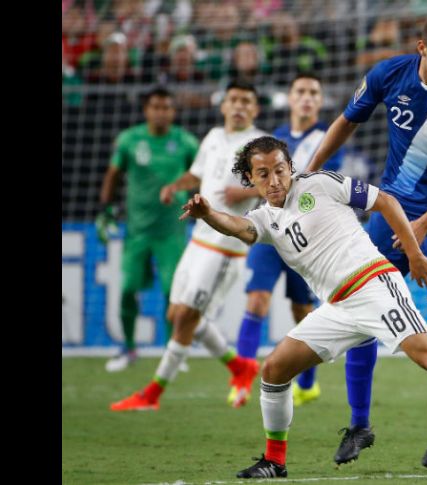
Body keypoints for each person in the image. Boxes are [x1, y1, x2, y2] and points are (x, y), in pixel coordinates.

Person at [179, 135, 427, 478]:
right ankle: (275, 461)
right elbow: (237, 226)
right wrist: (208, 213)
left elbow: (386, 202)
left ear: (290, 167)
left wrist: (414, 253)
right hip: (337, 308)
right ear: (250, 179)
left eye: (280, 169)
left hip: (374, 286)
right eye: (263, 174)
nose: (275, 180)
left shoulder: (320, 183)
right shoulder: (265, 219)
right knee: (275, 369)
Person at [306, 8, 427, 468]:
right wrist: (309, 171)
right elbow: (346, 121)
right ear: (422, 48)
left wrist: (425, 223)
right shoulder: (388, 74)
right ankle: (359, 426)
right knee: (361, 312)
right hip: (390, 212)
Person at [109, 80, 268, 412]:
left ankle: (152, 394)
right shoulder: (213, 137)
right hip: (198, 240)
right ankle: (240, 366)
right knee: (176, 313)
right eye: (234, 100)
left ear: (255, 109)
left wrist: (246, 191)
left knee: (185, 318)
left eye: (246, 101)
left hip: (226, 246)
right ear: (223, 106)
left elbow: (278, 185)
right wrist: (174, 186)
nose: (239, 106)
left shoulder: (260, 145)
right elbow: (197, 175)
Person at [233, 73, 344, 408]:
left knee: (303, 311)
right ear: (291, 98)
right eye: (300, 91)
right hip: (271, 231)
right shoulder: (273, 140)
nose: (306, 97)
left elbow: (312, 186)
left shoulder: (329, 139)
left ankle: (307, 384)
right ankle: (241, 382)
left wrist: (250, 190)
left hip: (305, 238)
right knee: (256, 301)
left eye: (313, 92)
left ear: (320, 101)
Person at [98, 86, 199, 372]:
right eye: (155, 107)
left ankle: (171, 352)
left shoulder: (186, 142)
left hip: (172, 232)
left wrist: (197, 203)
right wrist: (105, 210)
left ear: (173, 111)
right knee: (127, 289)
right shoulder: (129, 140)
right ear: (146, 110)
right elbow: (113, 174)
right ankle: (128, 348)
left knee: (172, 292)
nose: (161, 112)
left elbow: (198, 176)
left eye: (166, 107)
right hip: (137, 232)